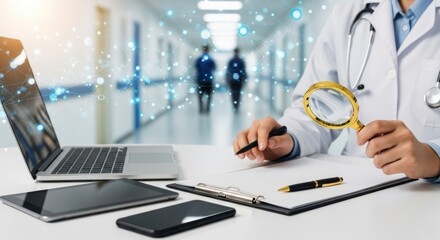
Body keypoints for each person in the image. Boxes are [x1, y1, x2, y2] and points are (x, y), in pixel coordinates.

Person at [233, 0, 440, 183]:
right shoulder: (347, 14)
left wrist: (433, 157)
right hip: (356, 187)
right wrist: (286, 141)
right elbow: (315, 108)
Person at [195, 45, 216, 113]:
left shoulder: (199, 59)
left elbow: (196, 67)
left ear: (202, 50)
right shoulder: (211, 60)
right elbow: (214, 68)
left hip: (200, 80)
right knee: (209, 95)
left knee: (200, 95)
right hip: (209, 80)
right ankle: (207, 108)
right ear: (208, 50)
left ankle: (201, 108)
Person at [226, 48, 247, 112]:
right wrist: (245, 79)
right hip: (239, 80)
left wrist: (227, 79)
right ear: (238, 52)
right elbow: (244, 71)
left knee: (233, 93)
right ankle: (237, 106)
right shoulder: (241, 61)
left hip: (232, 80)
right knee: (238, 93)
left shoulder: (231, 61)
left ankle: (234, 106)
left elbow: (228, 71)